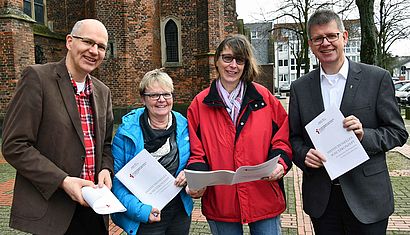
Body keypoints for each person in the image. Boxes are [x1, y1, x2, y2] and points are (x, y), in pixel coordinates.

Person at [288, 9, 408, 235]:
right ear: (311, 44)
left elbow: (398, 132)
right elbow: (293, 137)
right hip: (323, 199)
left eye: (331, 36)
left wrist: (365, 135)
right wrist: (303, 155)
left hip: (368, 198)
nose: (326, 43)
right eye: (318, 38)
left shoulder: (376, 78)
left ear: (344, 37)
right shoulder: (300, 88)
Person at [1, 19, 114, 234]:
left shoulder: (102, 91)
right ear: (70, 42)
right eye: (88, 42)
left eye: (101, 46)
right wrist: (63, 181)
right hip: (53, 210)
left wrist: (106, 168)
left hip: (94, 207)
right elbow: (15, 145)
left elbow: (105, 144)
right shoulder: (38, 78)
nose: (94, 51)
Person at [185, 34, 292, 235]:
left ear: (245, 64)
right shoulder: (199, 104)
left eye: (239, 60)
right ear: (216, 60)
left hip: (263, 195)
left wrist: (281, 164)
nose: (233, 65)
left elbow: (283, 138)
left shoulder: (264, 97)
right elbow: (196, 152)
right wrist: (198, 181)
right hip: (221, 200)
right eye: (227, 58)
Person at [111, 69, 193, 235]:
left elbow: (196, 159)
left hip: (179, 211)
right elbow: (117, 181)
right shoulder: (127, 132)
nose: (161, 100)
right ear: (143, 98)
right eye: (154, 95)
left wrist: (190, 173)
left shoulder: (185, 126)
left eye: (166, 94)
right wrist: (141, 211)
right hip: (145, 214)